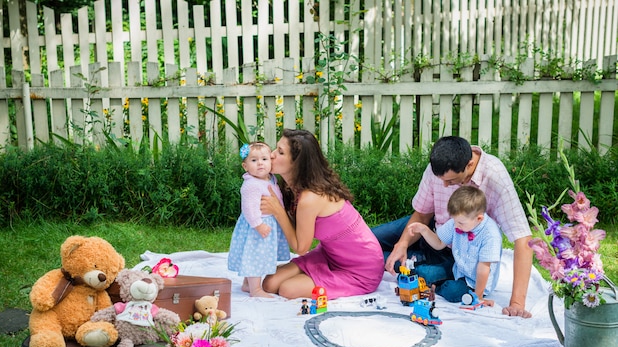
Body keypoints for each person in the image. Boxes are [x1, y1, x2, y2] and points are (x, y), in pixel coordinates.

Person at [372, 135, 533, 318]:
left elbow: (522, 238)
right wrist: (402, 244)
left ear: (470, 165)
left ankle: (386, 259)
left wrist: (517, 303)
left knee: (399, 265)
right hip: (434, 231)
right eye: (441, 179)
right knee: (367, 238)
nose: (444, 185)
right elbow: (423, 215)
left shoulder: (495, 177)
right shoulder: (440, 167)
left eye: (451, 181)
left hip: (457, 252)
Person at [260, 129, 384, 300]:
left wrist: (278, 211)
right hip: (330, 254)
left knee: (287, 289)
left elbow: (300, 248)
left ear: (298, 163)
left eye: (280, 152)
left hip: (361, 269)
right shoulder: (293, 187)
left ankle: (319, 277)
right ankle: (316, 274)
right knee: (269, 283)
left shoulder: (310, 198)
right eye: (276, 148)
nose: (272, 155)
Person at [407, 186, 502, 305]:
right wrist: (423, 230)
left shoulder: (490, 235)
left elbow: (484, 268)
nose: (456, 226)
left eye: (460, 223)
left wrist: (478, 297)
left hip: (475, 283)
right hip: (458, 269)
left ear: (479, 219)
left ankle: (436, 288)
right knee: (423, 273)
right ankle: (430, 280)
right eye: (454, 221)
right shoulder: (458, 222)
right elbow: (439, 243)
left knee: (451, 290)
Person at [228, 142, 291, 298]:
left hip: (268, 222)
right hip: (257, 226)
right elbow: (248, 208)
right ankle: (255, 289)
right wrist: (258, 225)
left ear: (270, 161)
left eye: (264, 159)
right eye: (254, 160)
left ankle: (246, 284)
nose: (260, 163)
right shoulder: (251, 185)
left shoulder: (270, 179)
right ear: (245, 166)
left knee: (259, 254)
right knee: (255, 255)